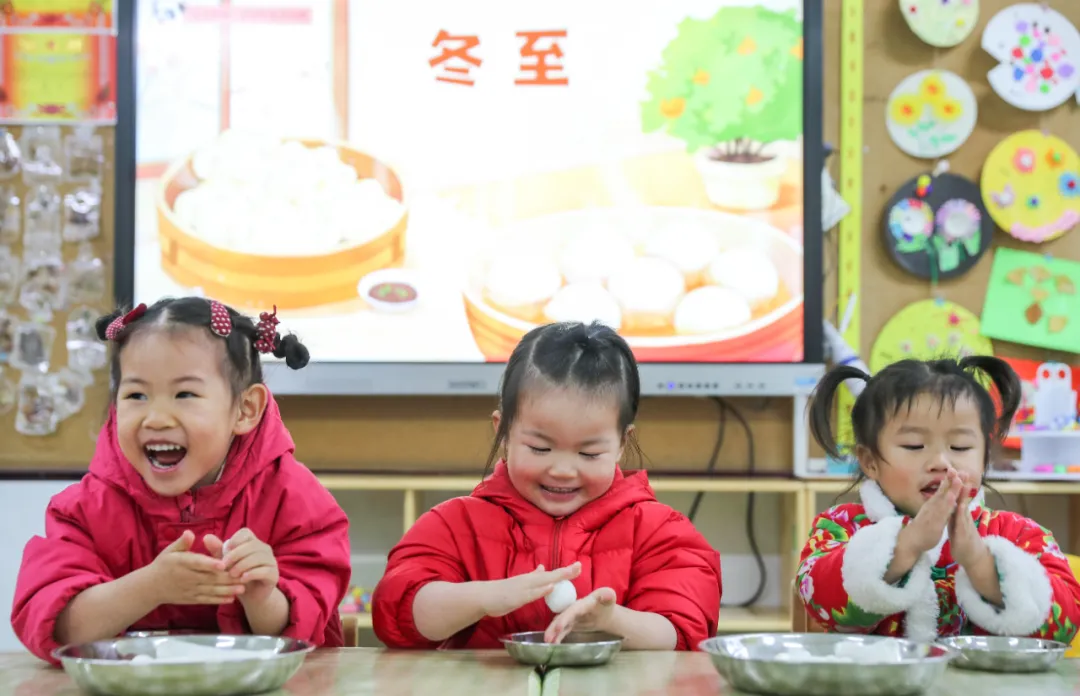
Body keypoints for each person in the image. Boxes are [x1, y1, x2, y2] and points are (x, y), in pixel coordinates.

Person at [11, 297, 352, 664]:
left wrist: (261, 597)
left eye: (184, 394)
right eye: (136, 395)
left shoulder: (294, 498)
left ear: (245, 409)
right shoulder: (84, 510)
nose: (157, 418)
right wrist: (150, 587)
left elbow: (306, 625)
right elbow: (57, 628)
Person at [372, 321, 722, 651]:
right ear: (503, 432)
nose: (563, 470)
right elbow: (399, 614)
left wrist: (611, 620)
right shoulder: (455, 524)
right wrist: (484, 598)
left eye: (589, 453)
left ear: (621, 444)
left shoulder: (659, 531)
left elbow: (683, 633)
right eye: (540, 448)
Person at [797, 356, 1080, 643]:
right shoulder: (841, 526)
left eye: (960, 446)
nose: (941, 462)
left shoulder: (1017, 534)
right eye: (914, 445)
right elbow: (819, 599)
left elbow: (1066, 622)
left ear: (984, 458)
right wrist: (905, 545)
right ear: (870, 461)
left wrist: (980, 563)